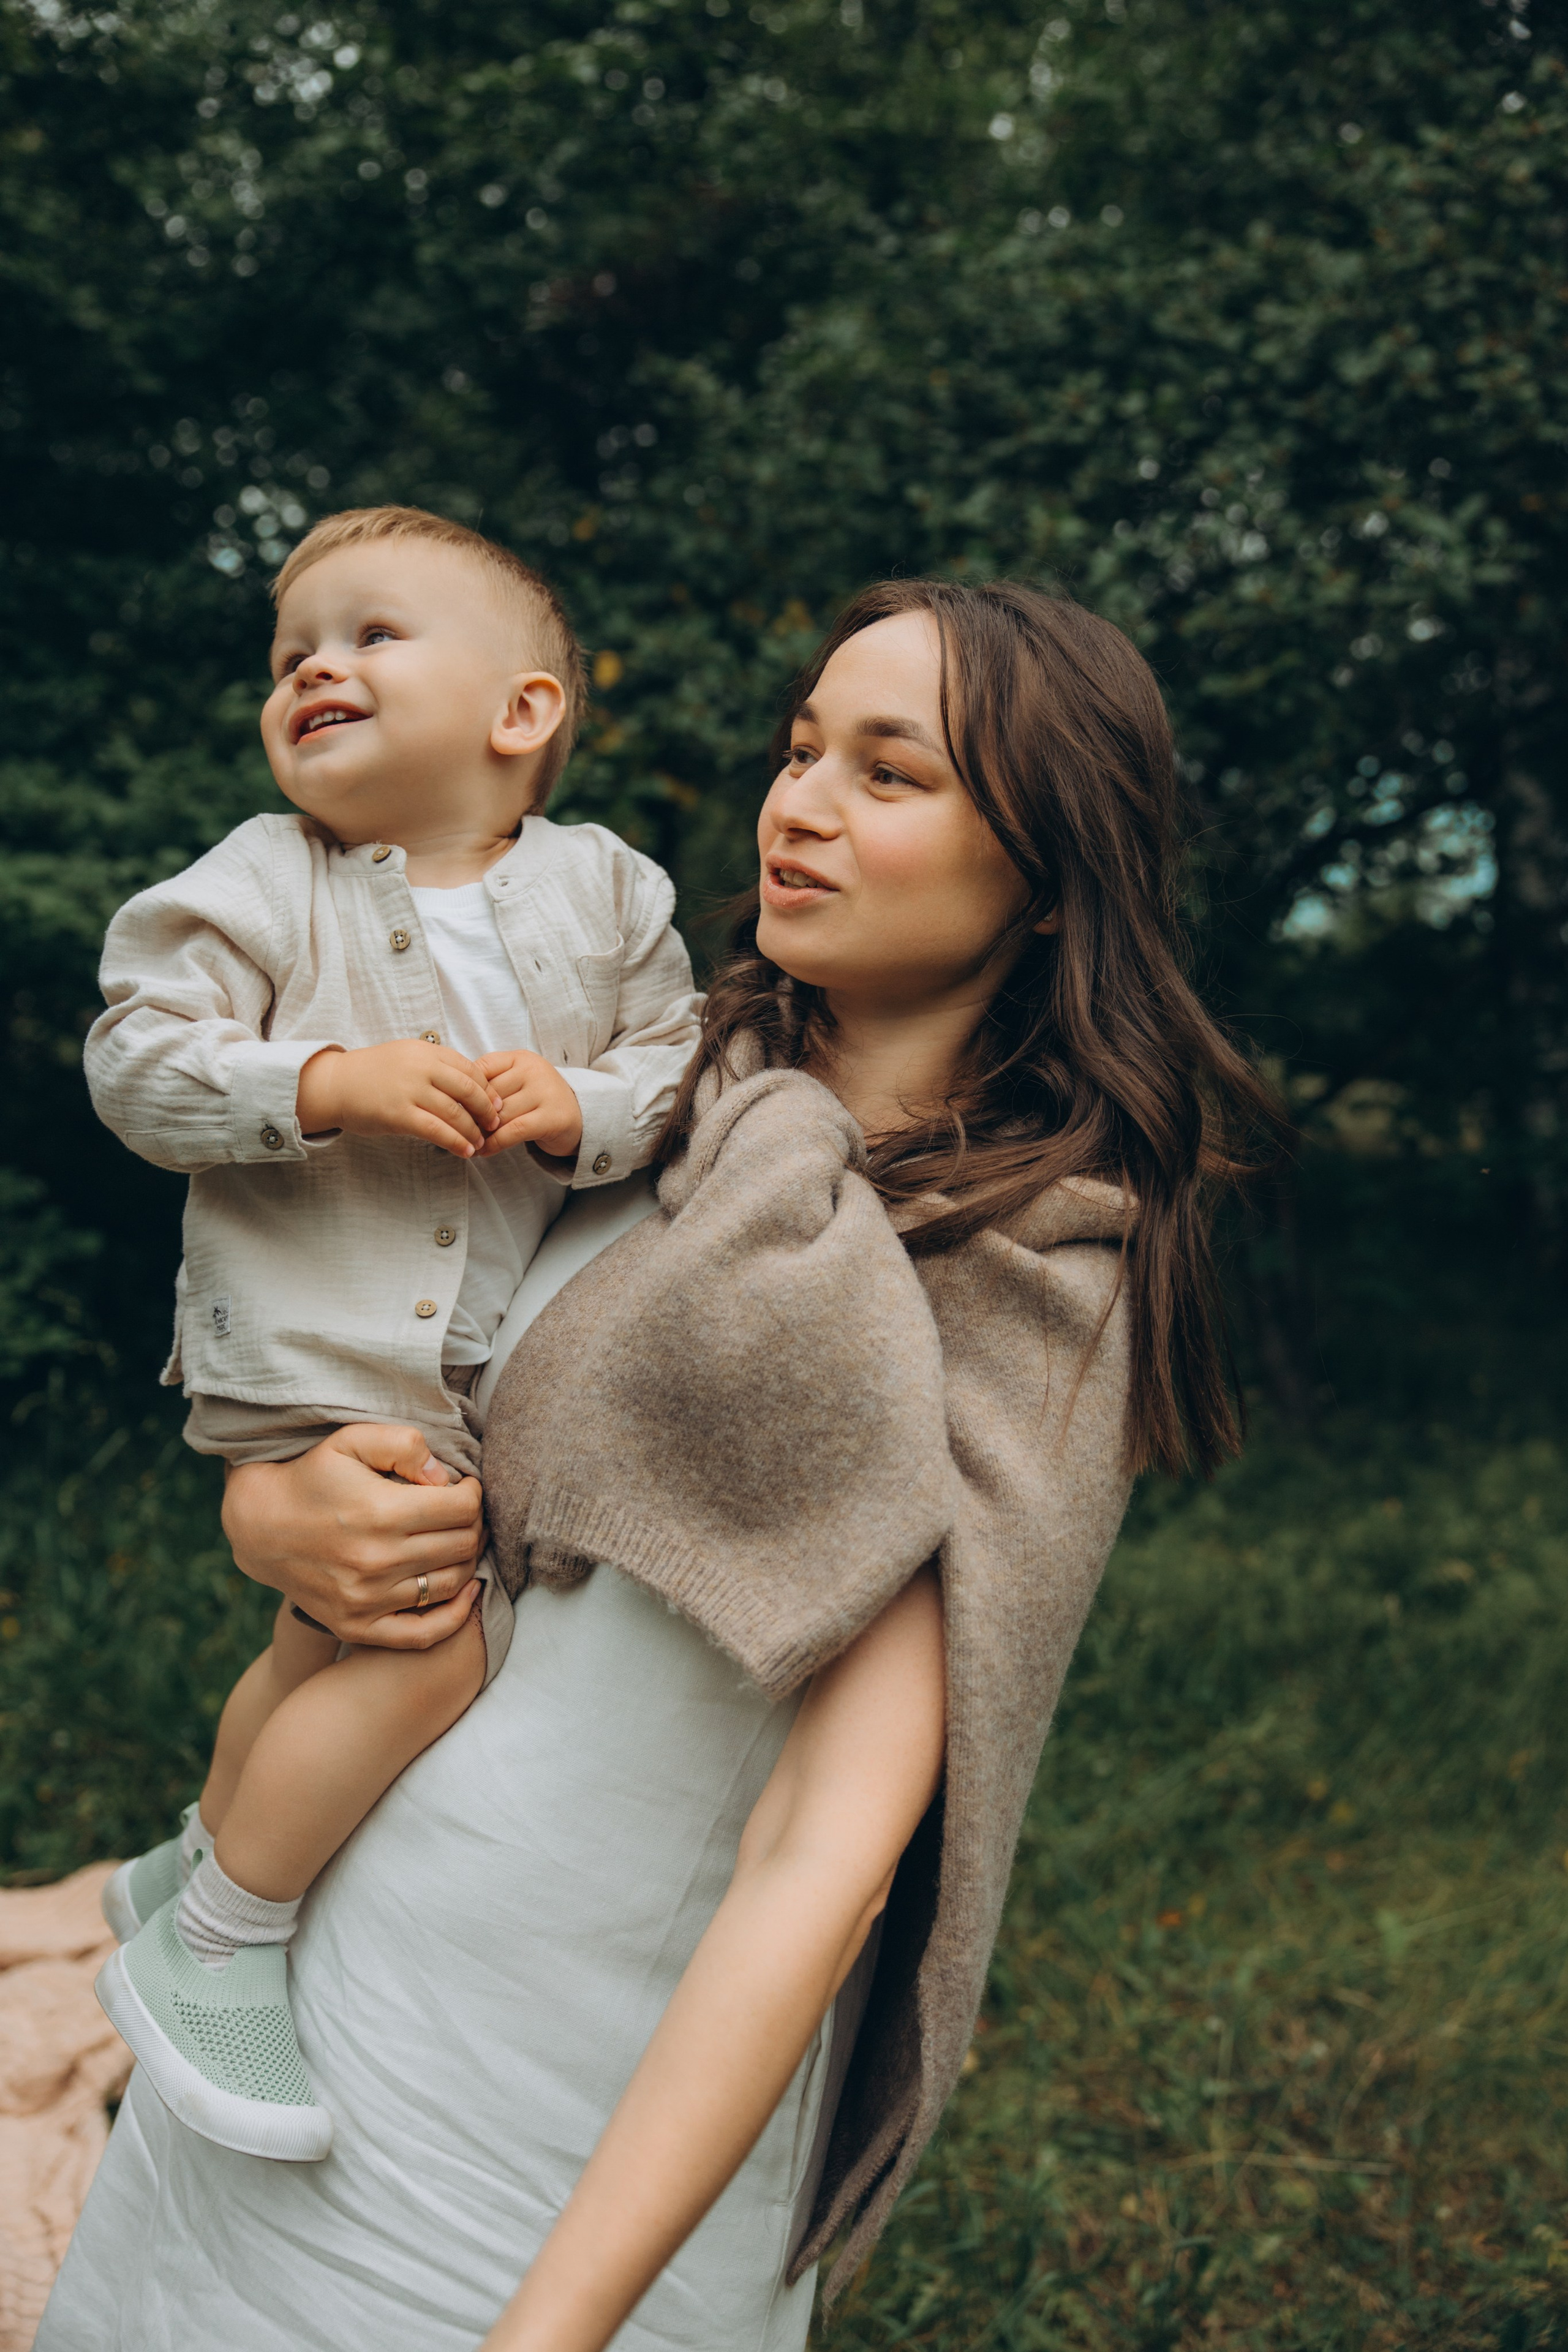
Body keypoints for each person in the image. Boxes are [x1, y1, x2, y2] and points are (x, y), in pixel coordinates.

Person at [40, 577, 1277, 2352]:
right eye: (799, 751)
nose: (802, 804)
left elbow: (818, 1858)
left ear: (1054, 874)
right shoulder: (640, 1100)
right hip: (316, 1996)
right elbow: (379, 1374)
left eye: (890, 771)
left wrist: (551, 2334)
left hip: (561, 2118)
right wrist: (274, 1505)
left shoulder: (1033, 1273)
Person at [78, 505, 702, 2161]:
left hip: (476, 1366)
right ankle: (222, 1937)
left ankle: (190, 1852)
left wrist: (585, 1108)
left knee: (322, 1639)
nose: (316, 670)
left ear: (521, 714)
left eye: (369, 636)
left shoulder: (607, 889)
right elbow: (132, 1064)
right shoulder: (262, 880)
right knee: (430, 1642)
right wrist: (321, 1081)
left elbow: (682, 1067)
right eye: (292, 654)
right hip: (303, 1348)